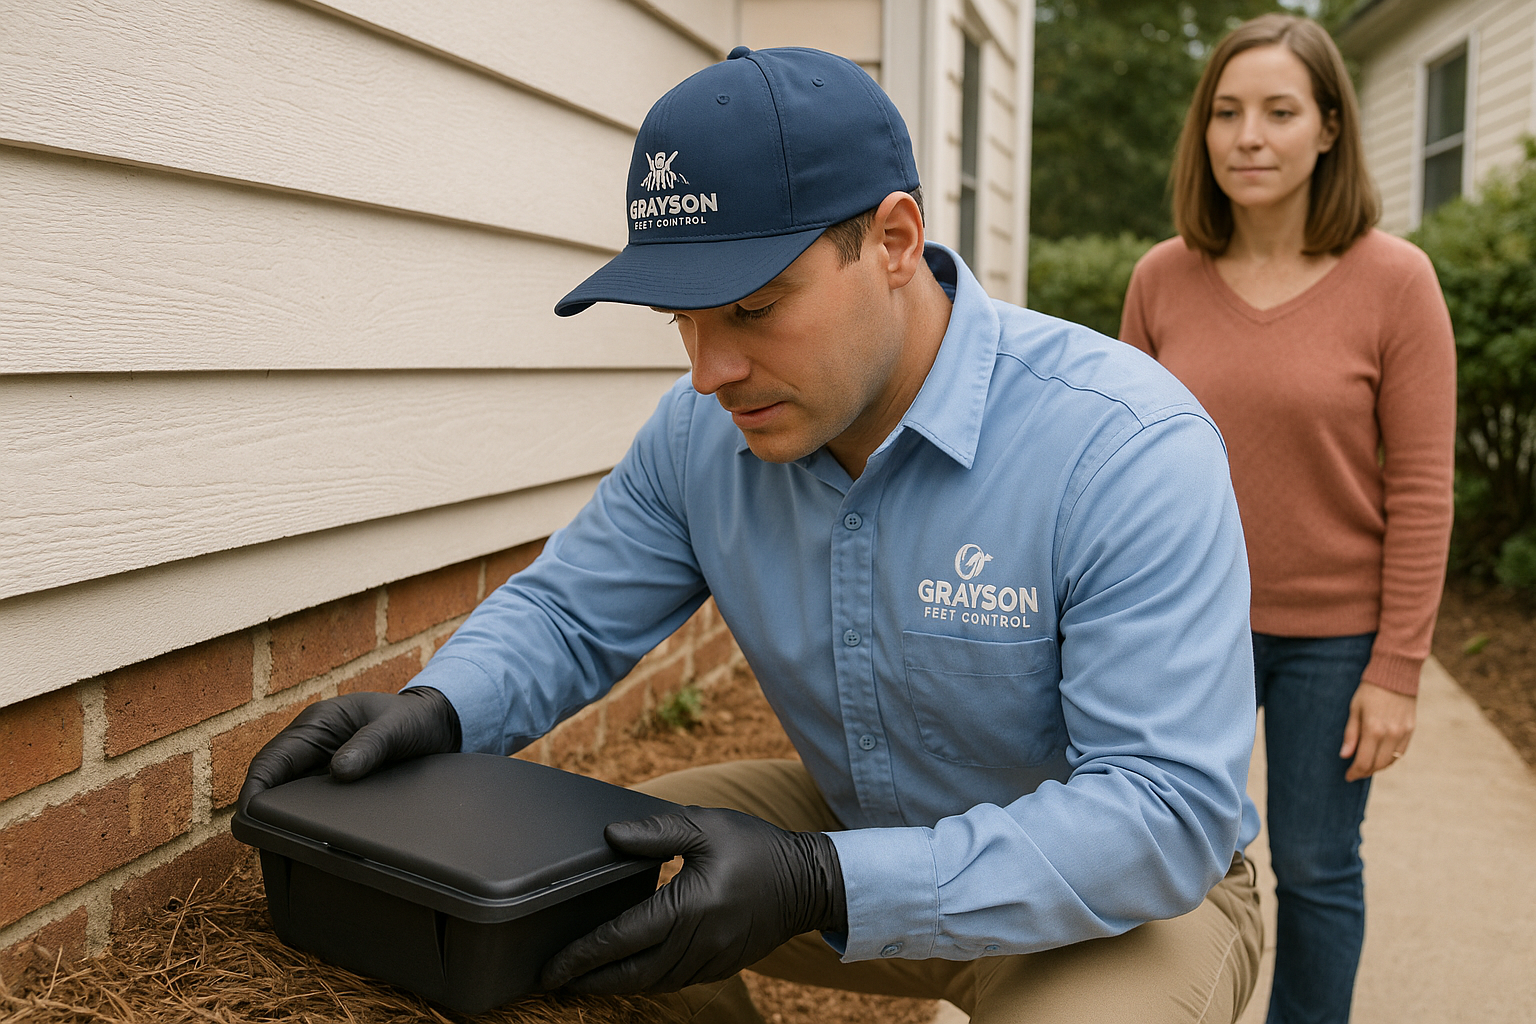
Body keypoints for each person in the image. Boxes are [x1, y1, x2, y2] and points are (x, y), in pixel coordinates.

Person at [243, 45, 1265, 1023]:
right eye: (681, 319)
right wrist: (438, 710)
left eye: (753, 307)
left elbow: (1162, 811)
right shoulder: (703, 433)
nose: (708, 372)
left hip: (1127, 906)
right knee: (574, 896)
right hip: (850, 824)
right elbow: (566, 613)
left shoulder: (1122, 446)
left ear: (895, 241)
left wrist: (821, 880)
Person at [1118, 15, 1456, 1024]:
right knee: (1164, 853)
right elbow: (1119, 466)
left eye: (1279, 111)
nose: (1249, 137)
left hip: (1333, 642)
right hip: (1185, 629)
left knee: (1315, 863)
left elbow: (1422, 488)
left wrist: (1397, 668)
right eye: (1226, 113)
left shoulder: (1397, 282)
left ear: (1329, 130)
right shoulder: (1160, 278)